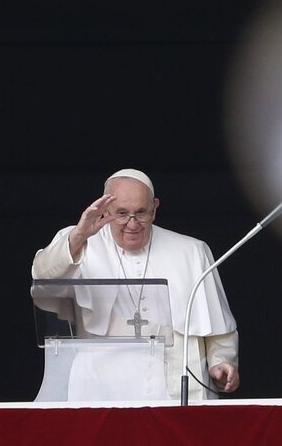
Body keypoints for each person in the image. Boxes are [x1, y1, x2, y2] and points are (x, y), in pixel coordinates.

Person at [31, 168, 239, 401]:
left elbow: (216, 323)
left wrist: (221, 361)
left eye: (141, 213)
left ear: (154, 208)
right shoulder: (78, 242)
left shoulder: (191, 251)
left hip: (170, 384)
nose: (132, 224)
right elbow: (43, 280)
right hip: (100, 385)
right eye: (121, 214)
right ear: (105, 211)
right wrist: (79, 235)